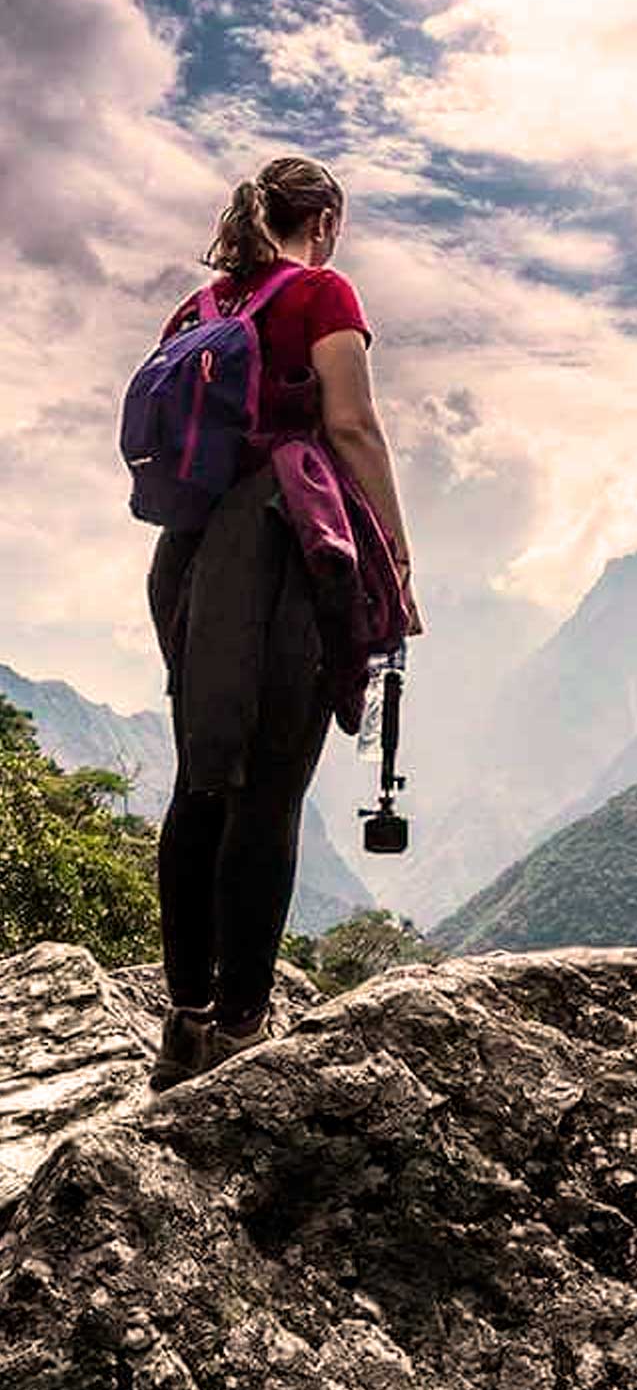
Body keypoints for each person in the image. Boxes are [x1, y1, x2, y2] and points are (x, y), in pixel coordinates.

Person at [144, 155, 422, 1091]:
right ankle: (241, 1028)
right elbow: (351, 425)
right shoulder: (321, 293)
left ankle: (183, 1024)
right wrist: (396, 545)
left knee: (200, 782)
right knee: (269, 790)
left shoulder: (201, 312)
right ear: (327, 222)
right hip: (278, 558)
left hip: (189, 570)